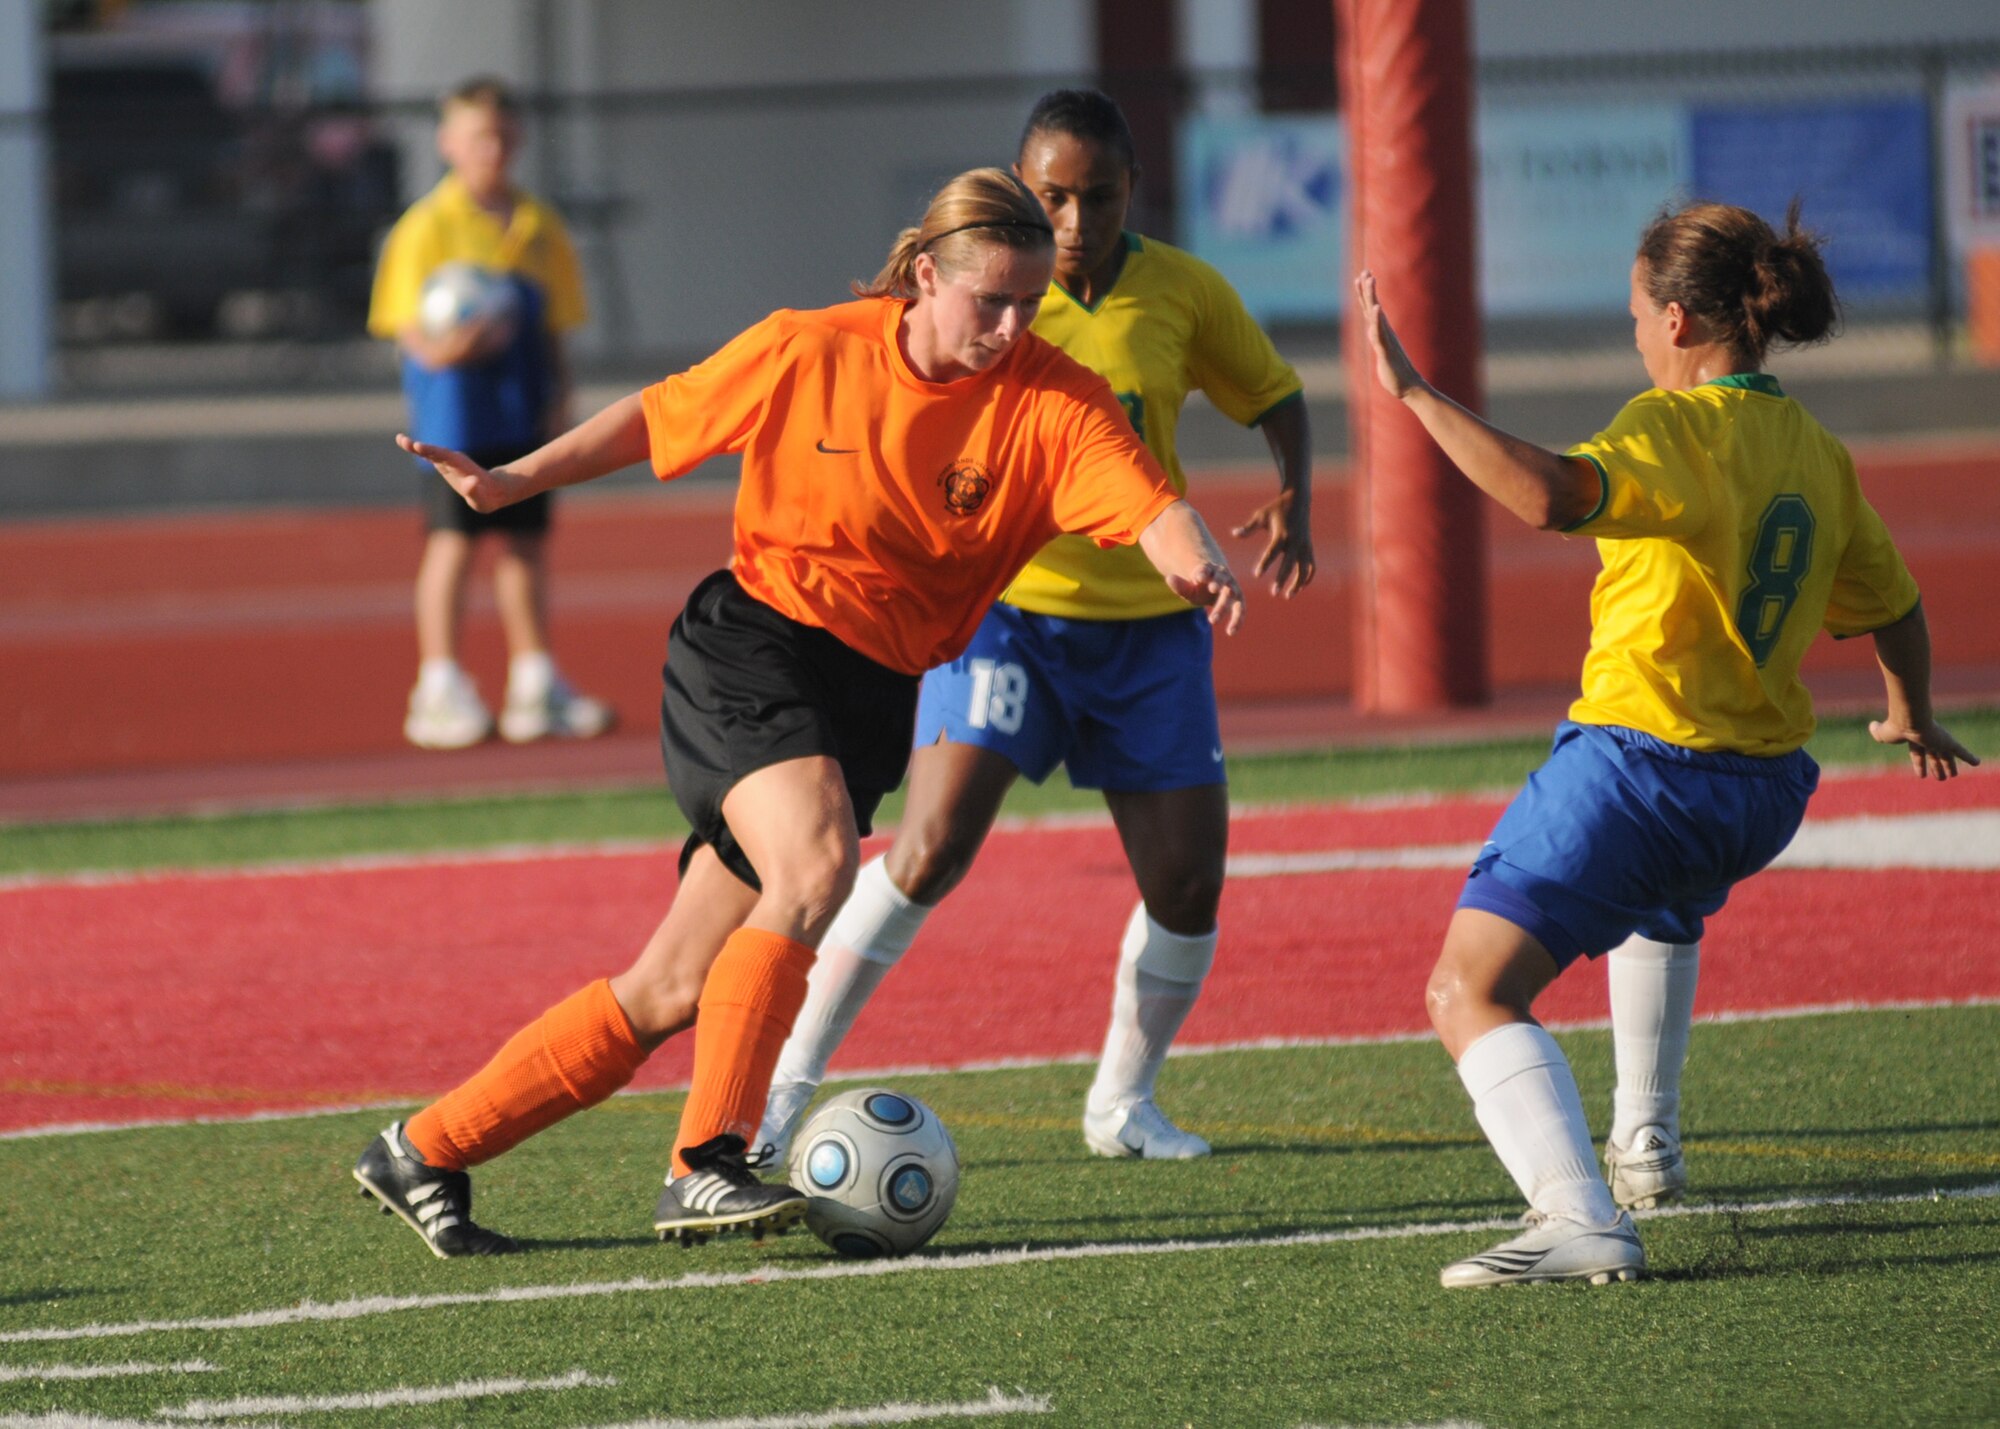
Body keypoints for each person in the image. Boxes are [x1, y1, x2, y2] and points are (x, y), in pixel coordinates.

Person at [351, 167, 1248, 1258]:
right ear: (925, 276)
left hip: (870, 695)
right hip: (752, 647)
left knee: (669, 986)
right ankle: (706, 1163)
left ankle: (421, 1148)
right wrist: (509, 480)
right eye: (989, 301)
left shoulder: (1053, 400)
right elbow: (660, 413)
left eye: (1030, 302)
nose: (1012, 326)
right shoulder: (811, 346)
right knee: (816, 865)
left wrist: (1192, 562)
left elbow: (1146, 500)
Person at [1353, 199, 1978, 1288]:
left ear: (1680, 322)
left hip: (1642, 767)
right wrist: (1907, 711)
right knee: (1657, 905)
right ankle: (1643, 1144)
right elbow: (1896, 606)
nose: (1635, 333)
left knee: (1468, 991)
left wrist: (1413, 395)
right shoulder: (1813, 449)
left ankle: (1575, 1214)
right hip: (1759, 793)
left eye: (1639, 314)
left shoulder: (1671, 424)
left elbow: (1549, 496)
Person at [755, 89, 1313, 1165]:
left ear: (1130, 194)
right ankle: (783, 1083)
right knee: (926, 846)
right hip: (1006, 617)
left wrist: (1295, 492)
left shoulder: (1184, 293)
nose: (1070, 220)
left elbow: (1275, 394)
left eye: (1094, 197)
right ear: (1019, 187)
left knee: (1188, 883)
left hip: (1149, 631)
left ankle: (1121, 1102)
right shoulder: (991, 294)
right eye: (1049, 195)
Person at [367, 76, 613, 750]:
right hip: (456, 409)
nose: (492, 148)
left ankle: (535, 682)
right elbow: (404, 328)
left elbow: (556, 323)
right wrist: (450, 345)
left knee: (526, 542)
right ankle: (438, 684)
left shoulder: (538, 224)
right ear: (449, 142)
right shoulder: (426, 227)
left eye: (503, 135)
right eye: (478, 135)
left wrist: (558, 394)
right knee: (453, 541)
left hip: (520, 396)